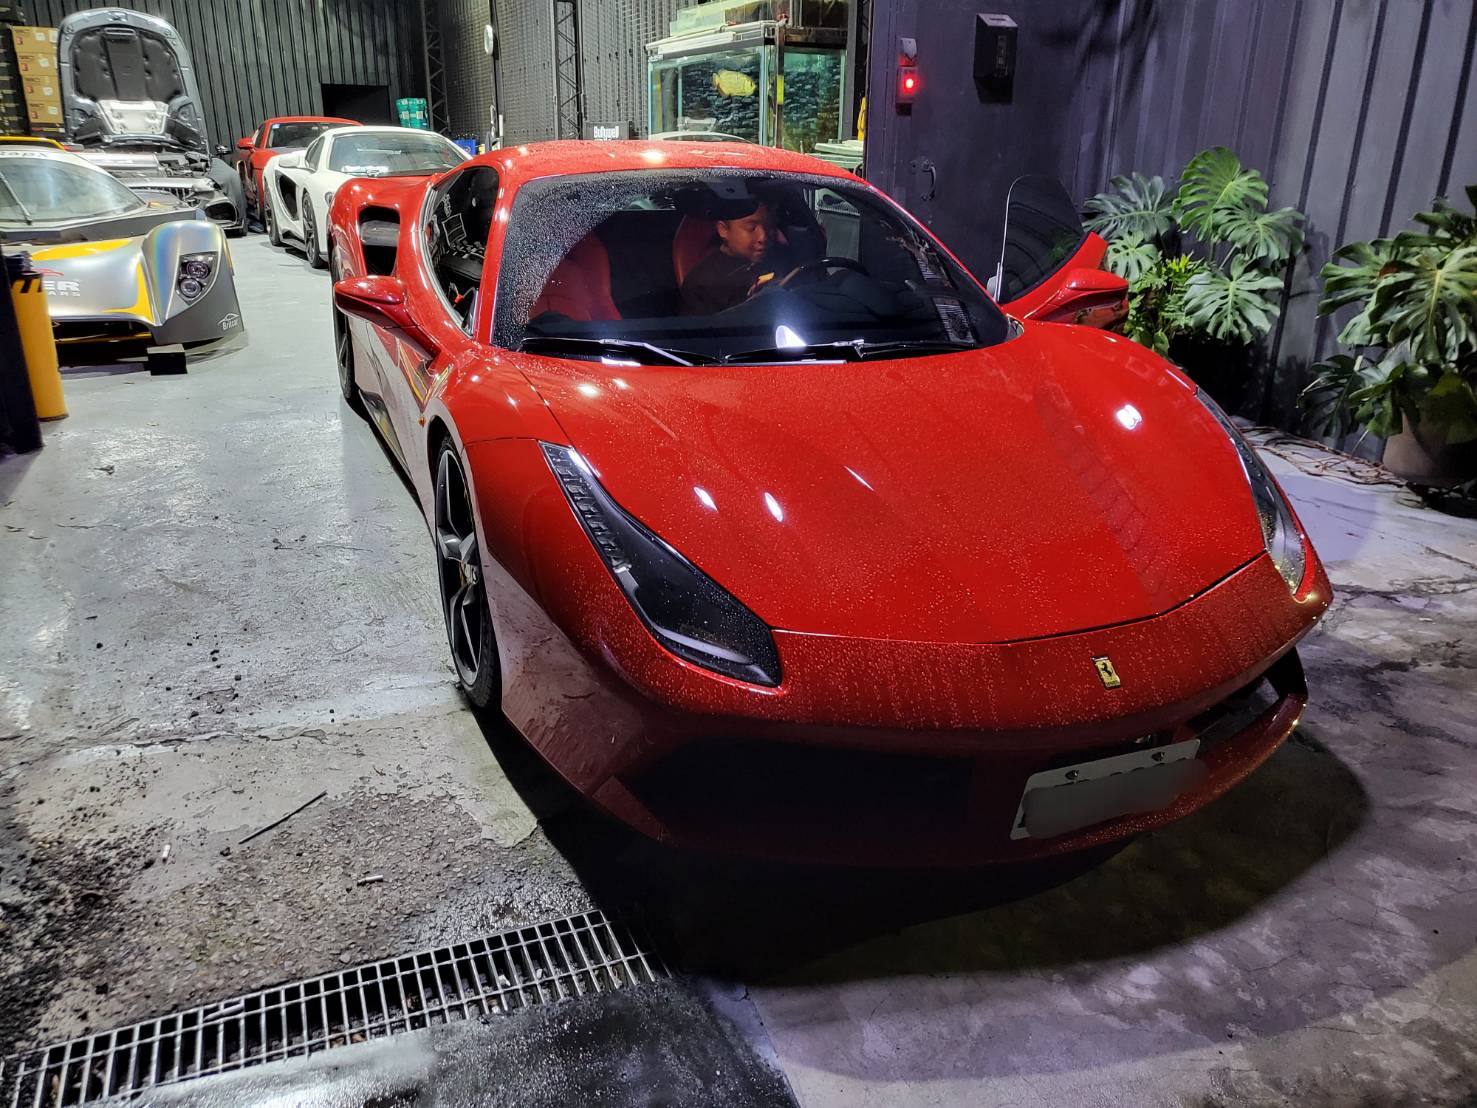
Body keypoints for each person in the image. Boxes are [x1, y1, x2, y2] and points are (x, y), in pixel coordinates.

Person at [680, 200, 786, 315]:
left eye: (769, 226)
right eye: (751, 228)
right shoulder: (702, 283)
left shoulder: (782, 257)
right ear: (723, 230)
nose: (763, 237)